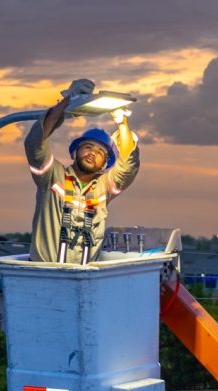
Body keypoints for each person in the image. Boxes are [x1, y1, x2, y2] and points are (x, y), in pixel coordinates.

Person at [24, 79, 139, 264]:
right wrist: (67, 101)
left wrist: (121, 121)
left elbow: (129, 166)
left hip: (85, 280)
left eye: (101, 152)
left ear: (105, 165)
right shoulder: (52, 176)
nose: (93, 153)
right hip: (45, 275)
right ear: (75, 151)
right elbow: (35, 144)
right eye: (88, 147)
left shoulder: (104, 188)